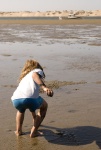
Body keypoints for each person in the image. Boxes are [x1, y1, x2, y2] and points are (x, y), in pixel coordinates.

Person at [11, 59, 53, 138]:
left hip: (16, 100)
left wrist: (34, 116)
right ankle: (34, 132)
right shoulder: (36, 71)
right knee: (44, 106)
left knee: (21, 110)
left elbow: (27, 101)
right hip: (31, 100)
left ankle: (18, 131)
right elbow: (35, 75)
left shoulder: (24, 78)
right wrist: (44, 87)